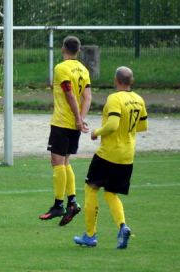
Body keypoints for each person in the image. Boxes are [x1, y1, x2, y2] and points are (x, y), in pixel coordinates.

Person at [74, 66, 148, 249]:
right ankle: (122, 226)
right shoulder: (139, 99)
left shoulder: (115, 99)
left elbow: (113, 124)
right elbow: (142, 127)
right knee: (110, 193)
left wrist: (97, 132)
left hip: (108, 153)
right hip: (127, 155)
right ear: (131, 81)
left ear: (116, 80)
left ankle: (90, 235)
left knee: (91, 188)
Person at [39, 36, 92, 225]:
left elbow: (69, 94)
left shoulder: (61, 68)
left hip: (62, 122)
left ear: (63, 49)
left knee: (56, 162)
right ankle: (72, 202)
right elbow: (87, 97)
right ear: (78, 50)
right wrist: (81, 119)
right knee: (66, 162)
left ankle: (58, 205)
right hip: (74, 125)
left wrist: (77, 119)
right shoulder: (83, 70)